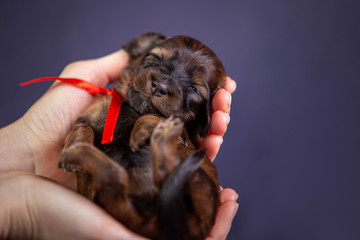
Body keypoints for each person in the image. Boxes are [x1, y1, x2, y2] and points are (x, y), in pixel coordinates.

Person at [0, 49, 238, 239]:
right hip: (115, 204)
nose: (163, 84)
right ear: (137, 60)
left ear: (203, 116)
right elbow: (83, 125)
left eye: (193, 89)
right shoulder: (105, 105)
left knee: (200, 180)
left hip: (174, 210)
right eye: (156, 60)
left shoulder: (179, 130)